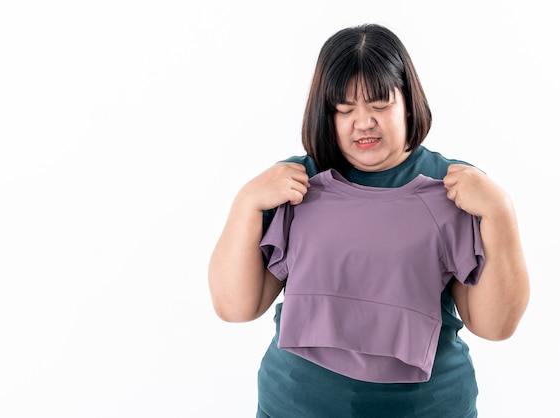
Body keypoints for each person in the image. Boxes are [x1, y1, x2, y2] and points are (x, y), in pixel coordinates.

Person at [208, 23, 529, 418]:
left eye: (379, 104)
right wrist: (245, 204)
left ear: (408, 102)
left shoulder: (455, 189)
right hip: (293, 408)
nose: (363, 122)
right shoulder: (293, 185)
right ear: (325, 113)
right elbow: (235, 307)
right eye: (344, 108)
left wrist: (501, 212)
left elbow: (494, 326)